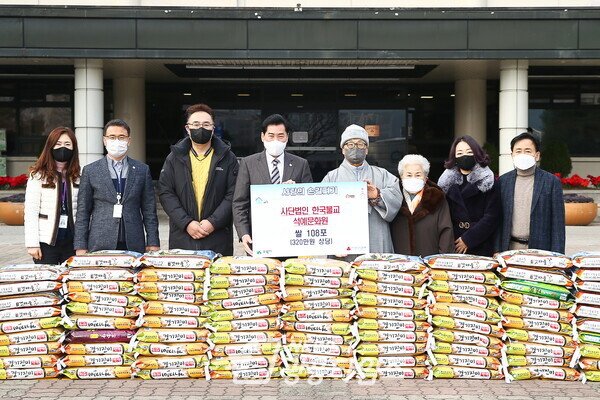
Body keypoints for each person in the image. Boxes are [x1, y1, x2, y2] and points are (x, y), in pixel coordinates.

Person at [159, 104, 239, 255]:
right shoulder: (174, 158)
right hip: (183, 236)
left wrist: (213, 222)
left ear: (213, 129)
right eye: (195, 124)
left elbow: (233, 194)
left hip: (217, 236)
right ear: (187, 128)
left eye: (206, 124)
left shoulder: (228, 158)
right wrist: (186, 223)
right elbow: (166, 192)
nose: (201, 128)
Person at [74, 119, 160, 255]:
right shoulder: (91, 171)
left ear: (129, 141)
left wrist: (153, 242)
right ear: (104, 140)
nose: (117, 141)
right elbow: (83, 212)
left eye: (121, 137)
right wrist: (80, 245)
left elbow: (149, 210)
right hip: (100, 241)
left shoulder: (141, 170)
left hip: (133, 241)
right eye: (112, 137)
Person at [233, 114, 312, 255]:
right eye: (271, 135)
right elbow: (240, 202)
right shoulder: (248, 163)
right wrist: (244, 234)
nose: (276, 140)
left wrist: (297, 193)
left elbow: (310, 203)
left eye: (281, 136)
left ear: (287, 137)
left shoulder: (301, 164)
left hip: (291, 239)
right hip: (258, 239)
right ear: (263, 137)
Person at [322, 124, 401, 256]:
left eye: (360, 144)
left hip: (376, 238)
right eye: (350, 144)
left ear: (367, 150)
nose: (355, 148)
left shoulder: (382, 175)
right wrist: (333, 244)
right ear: (342, 149)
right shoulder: (331, 178)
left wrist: (377, 195)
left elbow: (397, 198)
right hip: (344, 245)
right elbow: (322, 214)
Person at [496, 132, 565, 253]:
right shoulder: (503, 182)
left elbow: (558, 225)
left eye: (528, 151)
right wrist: (496, 250)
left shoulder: (551, 182)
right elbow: (496, 220)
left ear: (537, 155)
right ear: (512, 155)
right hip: (508, 249)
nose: (522, 154)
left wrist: (557, 256)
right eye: (518, 151)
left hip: (540, 251)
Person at [24, 127, 80, 264]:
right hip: (46, 242)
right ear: (50, 146)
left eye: (67, 144)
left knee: (71, 283)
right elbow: (31, 211)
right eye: (58, 144)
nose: (63, 148)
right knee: (47, 282)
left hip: (72, 243)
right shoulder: (38, 176)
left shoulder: (79, 176)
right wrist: (32, 243)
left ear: (74, 148)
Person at [437, 136, 501, 256]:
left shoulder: (489, 181)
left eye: (469, 152)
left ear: (477, 154)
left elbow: (492, 217)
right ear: (454, 157)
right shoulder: (446, 184)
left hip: (481, 243)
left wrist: (468, 239)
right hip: (454, 243)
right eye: (459, 153)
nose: (464, 156)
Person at [391, 154, 454, 256]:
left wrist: (442, 262)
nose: (413, 178)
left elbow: (446, 232)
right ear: (401, 178)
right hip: (398, 264)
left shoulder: (437, 199)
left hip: (429, 263)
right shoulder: (392, 198)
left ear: (425, 178)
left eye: (418, 175)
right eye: (409, 175)